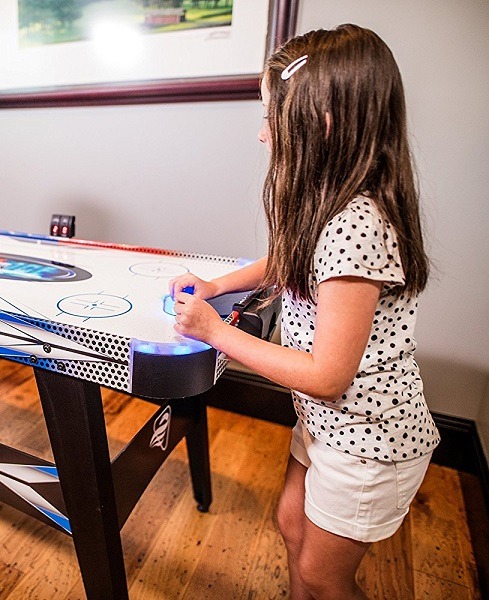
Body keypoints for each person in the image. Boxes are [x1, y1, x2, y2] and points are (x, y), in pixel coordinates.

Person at [169, 25, 439, 599]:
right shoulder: (328, 204)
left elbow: (326, 374)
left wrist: (215, 330)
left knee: (322, 575)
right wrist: (217, 282)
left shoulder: (357, 226)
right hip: (326, 426)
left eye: (272, 116)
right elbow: (284, 255)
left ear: (320, 124)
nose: (263, 134)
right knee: (292, 525)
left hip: (367, 440)